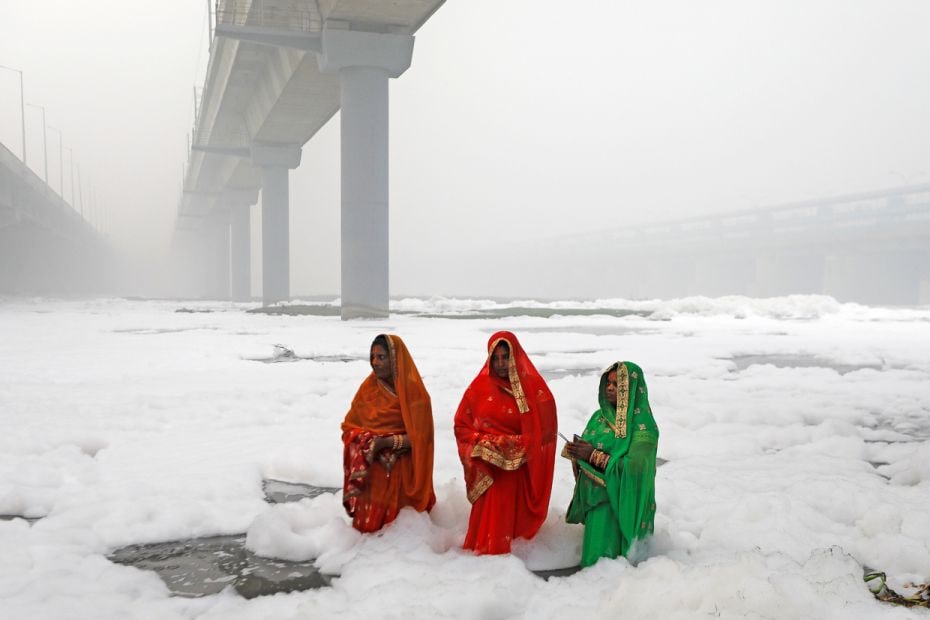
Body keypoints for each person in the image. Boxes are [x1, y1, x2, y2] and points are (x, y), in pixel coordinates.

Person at [454, 331, 557, 554]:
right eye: (496, 358)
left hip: (517, 472)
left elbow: (547, 432)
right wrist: (485, 443)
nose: (501, 364)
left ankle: (511, 563)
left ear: (515, 356)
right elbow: (461, 425)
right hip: (489, 471)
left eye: (505, 357)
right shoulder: (478, 389)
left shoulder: (533, 389)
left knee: (513, 536)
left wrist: (521, 444)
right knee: (487, 535)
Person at [565, 361, 659, 566]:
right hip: (596, 505)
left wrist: (592, 456)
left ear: (631, 389)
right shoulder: (599, 418)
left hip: (619, 508)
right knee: (592, 569)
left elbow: (634, 471)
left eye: (617, 385)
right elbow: (588, 449)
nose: (609, 388)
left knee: (612, 571)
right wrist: (577, 453)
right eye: (608, 383)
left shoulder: (643, 429)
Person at [341, 334, 435, 532]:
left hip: (403, 468)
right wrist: (364, 440)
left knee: (396, 532)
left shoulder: (415, 395)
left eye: (381, 357)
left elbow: (421, 440)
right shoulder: (368, 388)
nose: (375, 363)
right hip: (372, 465)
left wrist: (386, 443)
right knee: (369, 535)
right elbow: (349, 426)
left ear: (395, 359)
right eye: (372, 357)